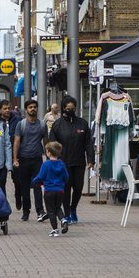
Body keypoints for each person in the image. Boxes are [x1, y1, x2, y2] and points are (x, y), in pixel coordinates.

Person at [49, 95, 93, 225]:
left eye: (73, 108)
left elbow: (88, 143)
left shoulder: (82, 123)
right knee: (66, 189)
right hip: (63, 163)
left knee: (78, 188)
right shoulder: (57, 125)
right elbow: (52, 144)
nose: (71, 111)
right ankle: (67, 213)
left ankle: (73, 208)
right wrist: (52, 160)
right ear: (63, 109)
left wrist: (90, 159)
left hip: (79, 162)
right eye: (68, 109)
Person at [11, 98, 48, 222]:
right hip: (23, 159)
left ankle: (40, 211)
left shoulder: (42, 124)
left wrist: (49, 158)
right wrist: (15, 159)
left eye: (34, 107)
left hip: (37, 159)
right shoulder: (21, 124)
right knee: (25, 187)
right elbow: (16, 142)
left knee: (37, 185)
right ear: (26, 110)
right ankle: (26, 211)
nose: (33, 109)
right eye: (30, 107)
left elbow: (46, 142)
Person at [32, 141, 70, 236]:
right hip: (60, 190)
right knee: (58, 208)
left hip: (49, 191)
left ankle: (55, 229)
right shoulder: (61, 164)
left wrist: (34, 181)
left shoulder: (46, 164)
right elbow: (66, 177)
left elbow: (41, 177)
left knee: (51, 210)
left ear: (48, 152)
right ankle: (63, 220)